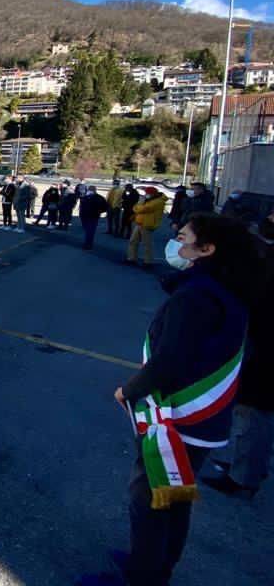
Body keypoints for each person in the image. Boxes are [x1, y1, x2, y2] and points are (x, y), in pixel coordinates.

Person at [105, 214, 254, 586]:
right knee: (173, 500)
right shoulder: (226, 288)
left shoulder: (196, 297)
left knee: (151, 503)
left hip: (177, 421)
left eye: (184, 236)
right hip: (202, 422)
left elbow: (169, 361)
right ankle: (154, 566)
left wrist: (128, 390)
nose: (176, 240)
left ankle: (144, 577)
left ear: (207, 248)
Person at [203, 212, 274, 499]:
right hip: (262, 346)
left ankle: (244, 478)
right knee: (254, 414)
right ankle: (249, 466)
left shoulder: (268, 263)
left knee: (254, 413)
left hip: (265, 351)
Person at [126, 187, 166, 267]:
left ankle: (148, 261)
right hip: (140, 223)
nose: (145, 195)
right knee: (133, 241)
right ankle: (131, 258)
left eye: (147, 193)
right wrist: (138, 206)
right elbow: (138, 208)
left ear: (152, 194)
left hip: (148, 224)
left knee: (147, 244)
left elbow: (142, 209)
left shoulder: (158, 202)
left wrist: (138, 205)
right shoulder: (149, 200)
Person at [78, 185, 109, 250]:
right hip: (84, 216)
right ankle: (88, 243)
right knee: (87, 230)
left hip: (93, 217)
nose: (90, 191)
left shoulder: (99, 198)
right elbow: (81, 206)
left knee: (90, 231)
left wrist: (99, 211)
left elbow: (105, 207)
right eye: (89, 190)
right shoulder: (85, 197)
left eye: (91, 190)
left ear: (94, 191)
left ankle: (88, 244)